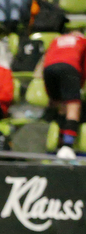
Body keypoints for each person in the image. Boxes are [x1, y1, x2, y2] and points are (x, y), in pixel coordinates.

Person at [40, 31, 86, 159]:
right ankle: (67, 146)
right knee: (73, 106)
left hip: (49, 70)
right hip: (69, 67)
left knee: (60, 106)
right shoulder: (83, 41)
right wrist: (78, 86)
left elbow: (46, 58)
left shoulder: (57, 39)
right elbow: (84, 67)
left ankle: (57, 141)